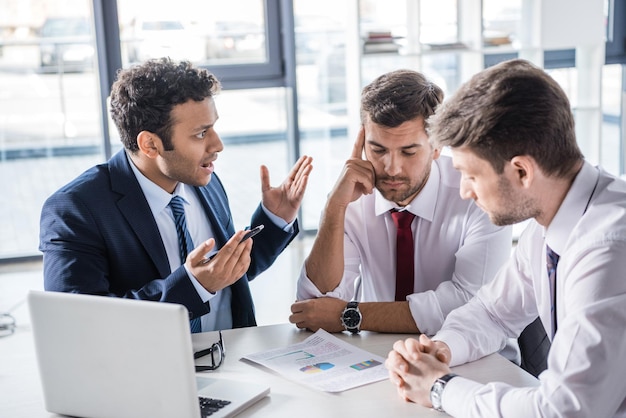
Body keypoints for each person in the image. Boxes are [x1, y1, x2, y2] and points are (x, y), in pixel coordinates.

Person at [385, 58, 626, 417]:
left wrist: (439, 388)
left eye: (470, 175)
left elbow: (564, 411)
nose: (464, 191)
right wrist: (441, 349)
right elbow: (493, 313)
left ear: (521, 171)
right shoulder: (550, 224)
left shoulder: (606, 248)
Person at [40, 58, 313, 332]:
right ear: (150, 144)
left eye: (213, 127)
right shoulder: (75, 209)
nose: (217, 145)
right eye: (201, 133)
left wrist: (274, 219)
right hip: (150, 369)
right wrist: (193, 287)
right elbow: (79, 323)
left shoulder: (205, 180)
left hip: (232, 358)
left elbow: (226, 274)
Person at [289, 69, 512, 339]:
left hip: (477, 361)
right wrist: (334, 209)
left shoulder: (477, 195)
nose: (391, 168)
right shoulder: (352, 196)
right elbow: (313, 306)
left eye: (408, 151)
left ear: (437, 146)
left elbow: (470, 304)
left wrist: (349, 315)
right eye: (378, 150)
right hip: (377, 359)